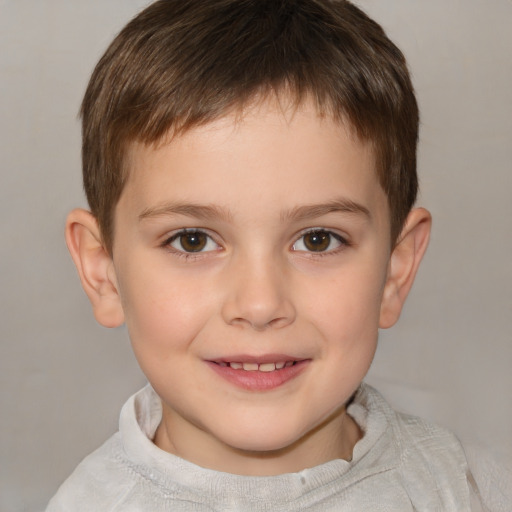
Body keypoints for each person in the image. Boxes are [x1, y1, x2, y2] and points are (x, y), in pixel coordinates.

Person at [46, 0, 493, 510]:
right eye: (192, 240)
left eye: (318, 240)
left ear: (396, 270)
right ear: (102, 271)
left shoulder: (472, 489)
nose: (259, 305)